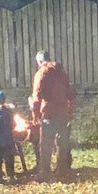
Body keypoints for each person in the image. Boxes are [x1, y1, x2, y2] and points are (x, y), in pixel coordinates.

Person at [30, 50, 74, 180]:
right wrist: (69, 112)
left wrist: (35, 115)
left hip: (48, 113)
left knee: (46, 144)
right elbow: (70, 94)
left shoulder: (41, 73)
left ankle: (45, 173)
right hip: (63, 113)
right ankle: (62, 171)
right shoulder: (62, 73)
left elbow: (37, 96)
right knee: (62, 143)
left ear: (40, 61)